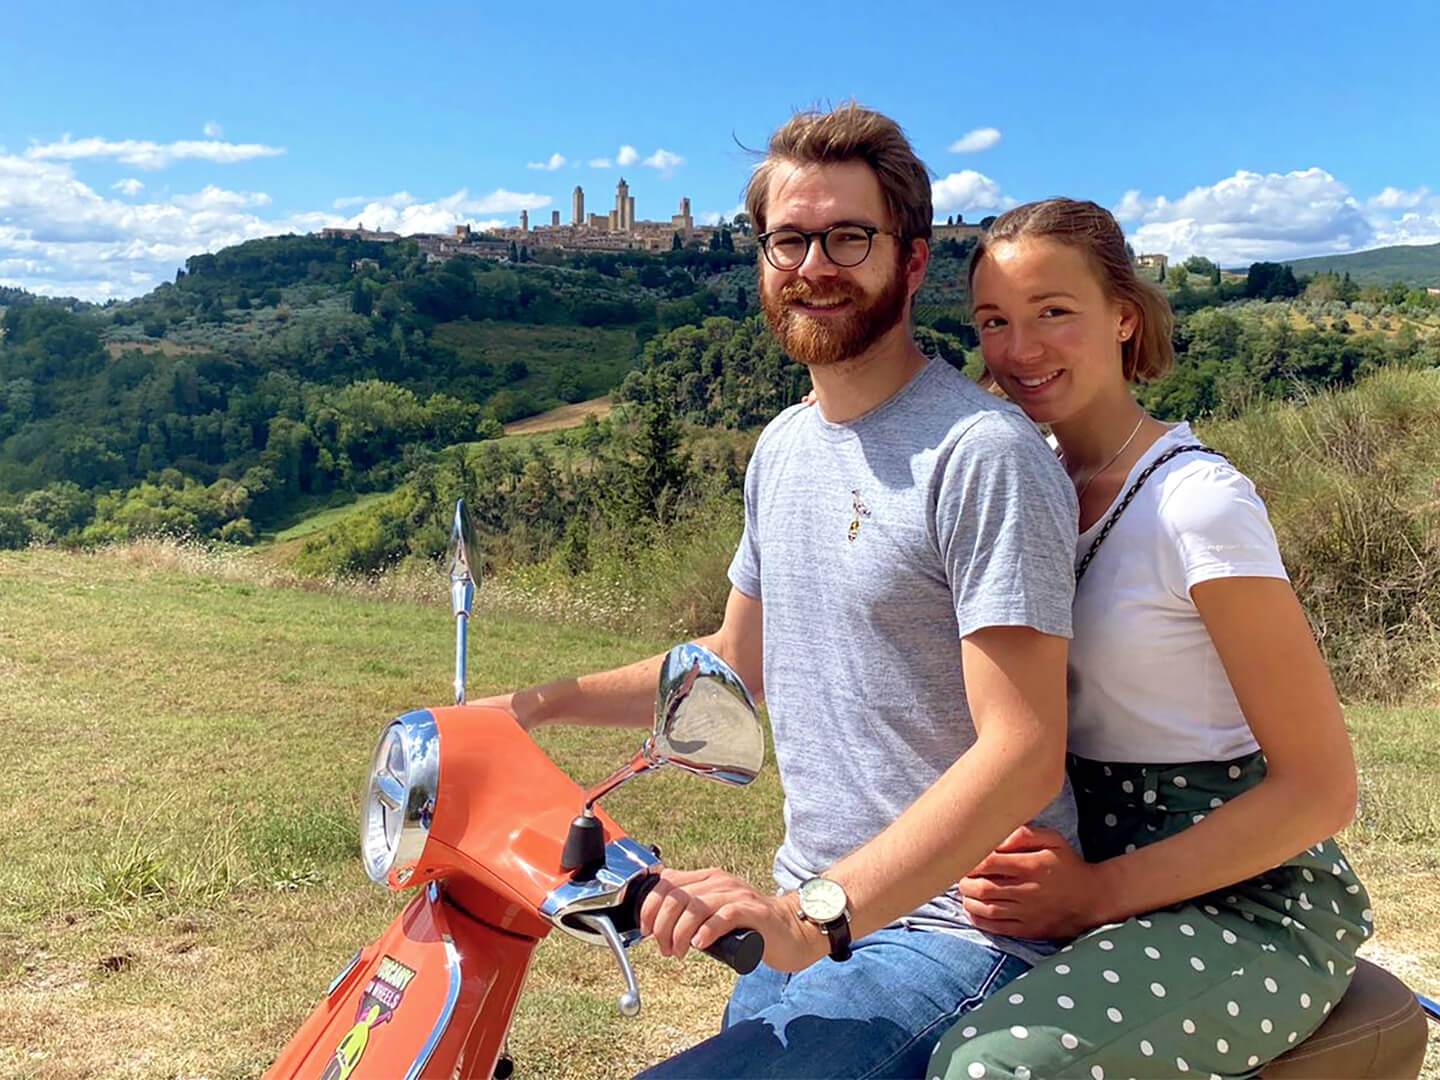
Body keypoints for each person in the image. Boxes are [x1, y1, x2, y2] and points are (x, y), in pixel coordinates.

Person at [478, 104, 1081, 1078]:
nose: (814, 265)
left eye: (849, 237)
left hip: (953, 941)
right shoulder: (782, 449)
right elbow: (729, 665)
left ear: (914, 263)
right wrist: (527, 710)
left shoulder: (981, 457)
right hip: (809, 927)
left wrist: (808, 917)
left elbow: (1020, 754)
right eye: (789, 239)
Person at [926, 199, 1372, 1080]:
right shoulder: (1030, 488)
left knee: (995, 1070)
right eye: (994, 322)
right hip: (1083, 859)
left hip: (1250, 899)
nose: (1020, 350)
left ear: (1124, 316)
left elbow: (1323, 790)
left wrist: (1093, 897)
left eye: (1054, 312)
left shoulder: (1197, 505)